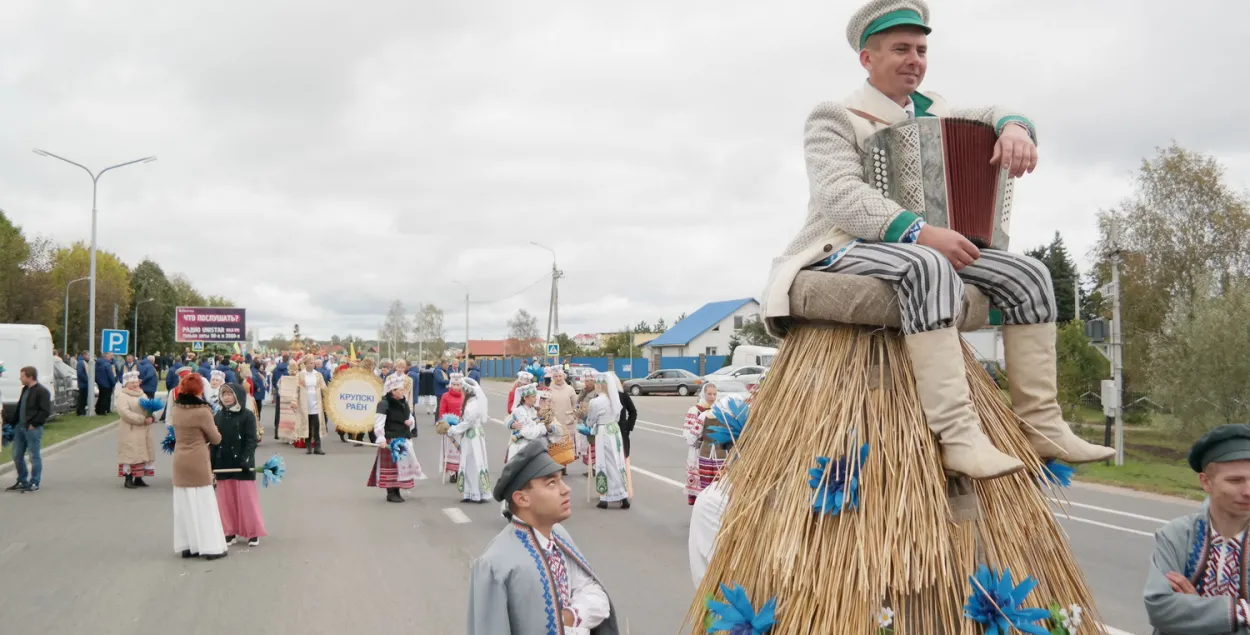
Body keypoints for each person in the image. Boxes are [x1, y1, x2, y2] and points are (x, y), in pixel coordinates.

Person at [757, 0, 1112, 480]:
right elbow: (841, 196)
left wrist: (1014, 126)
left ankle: (1042, 426)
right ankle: (959, 437)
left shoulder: (935, 110)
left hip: (923, 244)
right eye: (901, 49)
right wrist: (921, 232)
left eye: (921, 50)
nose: (914, 60)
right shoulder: (835, 116)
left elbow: (995, 110)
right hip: (840, 248)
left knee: (1030, 275)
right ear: (868, 58)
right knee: (927, 265)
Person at [467, 441, 619, 634]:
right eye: (552, 483)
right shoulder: (495, 566)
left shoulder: (558, 536)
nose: (566, 489)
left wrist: (568, 617)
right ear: (522, 499)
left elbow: (597, 596)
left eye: (561, 479)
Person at [1144, 424, 1250, 634]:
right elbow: (1159, 608)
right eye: (1235, 480)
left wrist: (1194, 609)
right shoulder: (1175, 535)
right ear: (1206, 482)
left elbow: (1177, 616)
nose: (1248, 491)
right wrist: (1243, 612)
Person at [169, 373, 227, 560]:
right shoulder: (203, 411)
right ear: (200, 389)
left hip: (180, 459)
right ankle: (211, 547)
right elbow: (215, 438)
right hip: (198, 459)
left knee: (184, 505)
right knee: (203, 504)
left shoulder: (177, 409)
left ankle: (188, 545)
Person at [211, 383, 267, 547]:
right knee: (226, 500)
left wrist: (246, 458)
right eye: (224, 394)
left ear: (237, 396)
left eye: (230, 394)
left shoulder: (247, 415)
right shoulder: (218, 416)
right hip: (223, 463)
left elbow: (251, 440)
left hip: (242, 464)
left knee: (246, 499)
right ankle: (230, 531)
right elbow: (214, 442)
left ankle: (252, 532)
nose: (227, 397)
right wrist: (212, 463)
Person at [368, 373, 424, 503]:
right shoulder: (384, 404)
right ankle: (390, 492)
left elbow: (409, 416)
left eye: (403, 389)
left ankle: (397, 490)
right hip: (390, 439)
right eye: (400, 389)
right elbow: (379, 422)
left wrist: (411, 422)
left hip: (403, 438)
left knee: (401, 466)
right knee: (392, 467)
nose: (403, 391)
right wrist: (381, 438)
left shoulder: (403, 402)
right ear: (393, 391)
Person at [585, 373, 629, 510]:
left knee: (604, 463)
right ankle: (623, 495)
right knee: (618, 462)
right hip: (614, 431)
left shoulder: (595, 401)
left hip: (603, 432)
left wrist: (585, 420)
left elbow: (591, 421)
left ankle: (605, 497)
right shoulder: (614, 399)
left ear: (599, 385)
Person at [4, 367, 52, 493]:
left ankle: (34, 482)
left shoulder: (42, 391)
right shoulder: (25, 389)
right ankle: (22, 480)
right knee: (17, 455)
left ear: (30, 377)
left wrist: (34, 423)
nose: (20, 378)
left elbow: (45, 411)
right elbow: (21, 408)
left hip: (32, 428)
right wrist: (11, 421)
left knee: (34, 456)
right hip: (20, 427)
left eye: (22, 376)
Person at [450, 377, 491, 503]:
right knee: (467, 463)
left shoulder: (473, 404)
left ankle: (477, 493)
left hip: (473, 438)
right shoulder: (471, 402)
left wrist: (452, 430)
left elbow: (468, 422)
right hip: (471, 436)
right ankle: (470, 493)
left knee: (473, 463)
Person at [115, 370, 156, 489]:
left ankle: (139, 478)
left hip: (144, 428)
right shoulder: (123, 396)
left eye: (136, 382)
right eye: (132, 382)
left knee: (143, 452)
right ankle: (128, 478)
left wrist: (151, 416)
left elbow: (148, 407)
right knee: (130, 453)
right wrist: (141, 419)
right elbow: (124, 412)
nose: (135, 384)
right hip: (130, 428)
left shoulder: (142, 394)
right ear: (126, 384)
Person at [682, 383, 718, 505]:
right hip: (698, 451)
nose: (712, 397)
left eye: (714, 394)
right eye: (709, 394)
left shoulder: (718, 410)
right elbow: (687, 433)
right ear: (704, 394)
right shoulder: (695, 410)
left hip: (715, 453)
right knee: (699, 479)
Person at [293, 355, 328, 455]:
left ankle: (318, 447)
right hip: (305, 404)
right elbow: (296, 389)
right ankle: (308, 447)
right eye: (311, 363)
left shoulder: (318, 375)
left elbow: (324, 387)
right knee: (307, 426)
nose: (313, 365)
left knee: (316, 425)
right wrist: (294, 401)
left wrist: (330, 394)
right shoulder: (300, 375)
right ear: (306, 364)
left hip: (316, 403)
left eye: (313, 363)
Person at [504, 384, 546, 464]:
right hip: (520, 447)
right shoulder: (519, 411)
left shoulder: (533, 410)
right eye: (533, 396)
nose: (536, 398)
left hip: (531, 446)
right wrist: (540, 428)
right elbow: (526, 432)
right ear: (525, 398)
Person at [547, 367, 580, 471]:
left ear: (563, 377)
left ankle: (563, 465)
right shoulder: (549, 389)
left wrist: (573, 416)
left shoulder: (570, 389)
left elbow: (576, 404)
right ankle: (555, 466)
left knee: (564, 446)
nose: (558, 378)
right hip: (554, 421)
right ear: (553, 378)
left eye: (560, 376)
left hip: (567, 421)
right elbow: (546, 404)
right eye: (556, 376)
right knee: (554, 445)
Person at [438, 372, 466, 482]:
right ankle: (452, 472)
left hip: (462, 426)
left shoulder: (465, 396)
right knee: (451, 449)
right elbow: (442, 411)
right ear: (450, 384)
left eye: (458, 384)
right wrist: (445, 424)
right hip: (450, 427)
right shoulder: (445, 396)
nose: (456, 387)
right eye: (454, 384)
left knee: (461, 449)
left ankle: (460, 470)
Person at [271, 353, 290, 438]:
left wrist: (277, 387)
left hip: (279, 393)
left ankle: (277, 431)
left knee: (278, 412)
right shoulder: (289, 369)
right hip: (288, 393)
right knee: (287, 413)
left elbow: (273, 381)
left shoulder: (276, 369)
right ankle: (286, 432)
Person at [75, 351, 90, 417]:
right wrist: (87, 380)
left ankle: (80, 411)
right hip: (83, 384)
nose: (89, 357)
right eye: (88, 355)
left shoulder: (84, 362)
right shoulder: (81, 363)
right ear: (84, 355)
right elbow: (80, 373)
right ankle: (81, 411)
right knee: (82, 398)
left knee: (83, 398)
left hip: (84, 383)